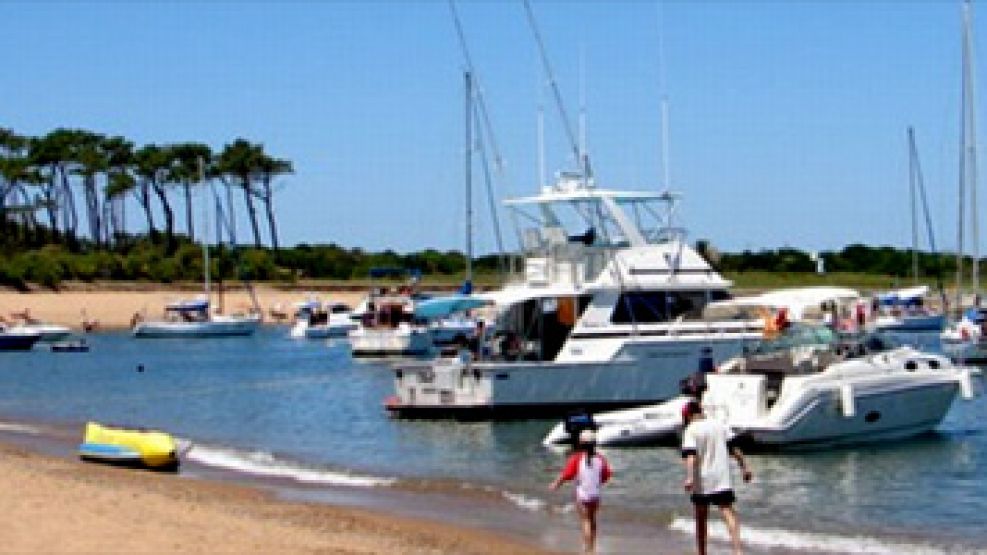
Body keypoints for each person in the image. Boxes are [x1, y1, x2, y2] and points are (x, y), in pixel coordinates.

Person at [681, 400, 752, 555]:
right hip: (721, 477)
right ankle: (738, 551)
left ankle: (702, 552)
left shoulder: (690, 430)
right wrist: (744, 467)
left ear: (688, 416)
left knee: (701, 517)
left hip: (702, 480)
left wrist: (689, 478)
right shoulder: (719, 425)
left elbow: (691, 456)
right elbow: (734, 449)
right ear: (700, 411)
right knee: (728, 512)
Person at [550, 429, 612, 553]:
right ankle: (592, 546)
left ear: (580, 443)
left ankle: (587, 548)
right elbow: (605, 476)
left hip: (583, 495)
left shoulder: (577, 458)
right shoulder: (601, 459)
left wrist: (556, 484)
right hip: (595, 495)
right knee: (592, 520)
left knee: (585, 521)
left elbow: (566, 475)